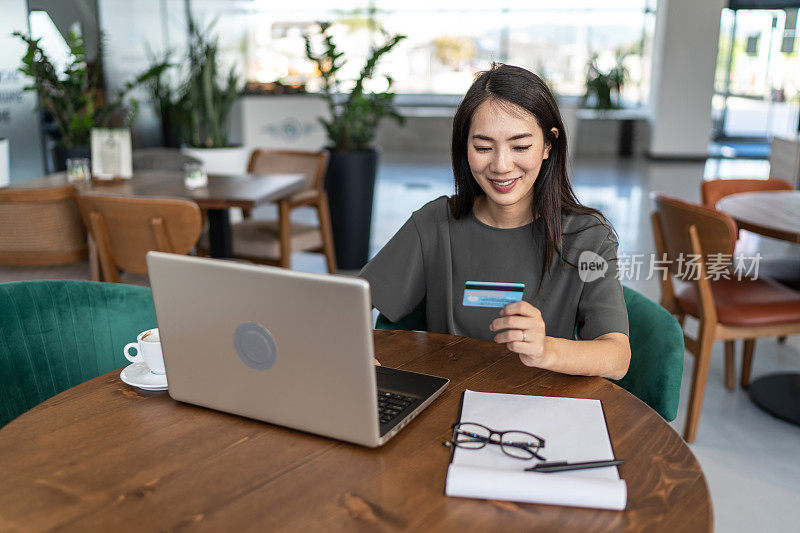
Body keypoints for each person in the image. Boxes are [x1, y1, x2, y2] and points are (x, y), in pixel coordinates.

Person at [360, 64, 630, 380]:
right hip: (447, 409)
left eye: (520, 146)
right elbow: (347, 306)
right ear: (465, 147)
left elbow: (617, 357)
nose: (501, 165)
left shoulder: (588, 238)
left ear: (548, 145)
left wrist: (546, 350)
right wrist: (352, 354)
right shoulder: (434, 224)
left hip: (543, 407)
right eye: (483, 147)